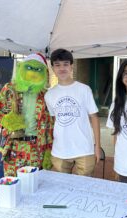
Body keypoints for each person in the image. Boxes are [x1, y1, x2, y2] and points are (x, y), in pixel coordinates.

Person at [0, 53, 54, 176]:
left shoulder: (45, 95)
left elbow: (49, 126)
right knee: (13, 184)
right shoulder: (10, 89)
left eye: (38, 69)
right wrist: (8, 121)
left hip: (36, 148)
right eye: (29, 68)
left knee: (34, 186)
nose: (33, 72)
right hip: (13, 146)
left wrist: (48, 151)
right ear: (22, 67)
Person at [44, 48, 101, 177]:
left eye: (65, 64)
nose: (62, 68)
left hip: (84, 148)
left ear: (71, 66)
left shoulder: (84, 89)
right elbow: (54, 121)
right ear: (52, 68)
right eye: (57, 65)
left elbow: (95, 118)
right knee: (63, 188)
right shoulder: (49, 95)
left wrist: (97, 146)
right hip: (60, 150)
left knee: (84, 188)